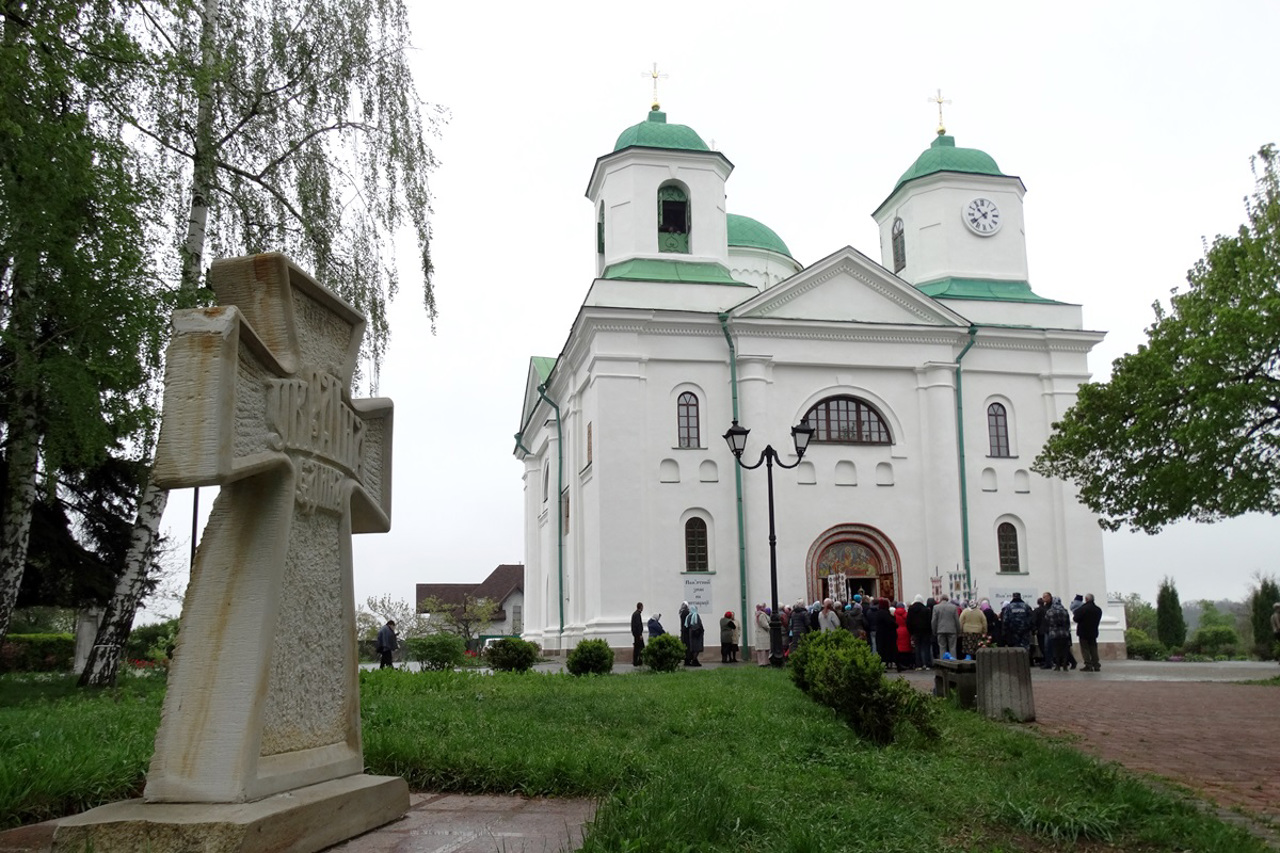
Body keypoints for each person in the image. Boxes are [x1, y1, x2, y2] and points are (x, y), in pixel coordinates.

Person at [1073, 593, 1104, 672]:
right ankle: (1096, 664)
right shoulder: (1098, 609)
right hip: (1093, 631)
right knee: (1093, 648)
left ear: (1086, 599)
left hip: (1083, 632)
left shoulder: (1083, 609)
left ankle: (1088, 665)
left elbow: (1075, 618)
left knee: (1085, 649)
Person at [1045, 596, 1072, 671]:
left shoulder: (1049, 611)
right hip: (1064, 633)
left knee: (1056, 650)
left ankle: (1057, 665)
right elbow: (1068, 622)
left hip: (1054, 633)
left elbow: (1047, 621)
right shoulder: (1065, 611)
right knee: (1065, 650)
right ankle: (1065, 665)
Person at [931, 594, 960, 659]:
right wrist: (958, 631)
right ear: (947, 599)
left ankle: (943, 663)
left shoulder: (936, 607)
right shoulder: (954, 607)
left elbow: (934, 621)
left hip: (940, 630)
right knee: (952, 647)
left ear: (941, 599)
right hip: (952, 630)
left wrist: (934, 631)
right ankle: (953, 663)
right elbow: (957, 620)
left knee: (942, 647)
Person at [631, 602, 645, 666]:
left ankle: (637, 661)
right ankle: (638, 661)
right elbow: (638, 625)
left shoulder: (635, 614)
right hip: (638, 634)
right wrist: (640, 634)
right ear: (641, 607)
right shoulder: (637, 614)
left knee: (637, 647)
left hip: (635, 634)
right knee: (640, 647)